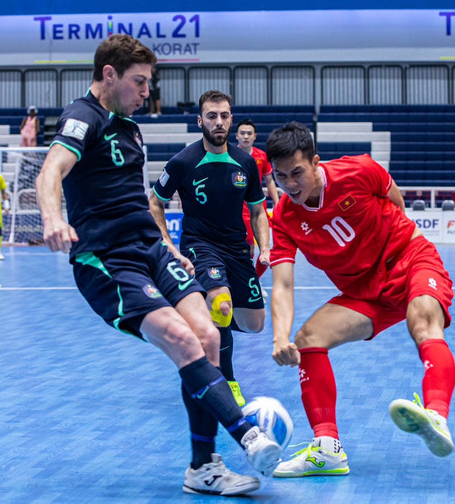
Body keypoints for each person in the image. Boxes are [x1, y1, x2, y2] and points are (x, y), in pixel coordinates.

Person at [34, 36, 280, 497]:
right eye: (139, 81)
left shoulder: (130, 128)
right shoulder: (82, 118)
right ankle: (246, 433)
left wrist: (167, 245)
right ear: (109, 74)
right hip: (108, 259)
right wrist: (52, 218)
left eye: (149, 82)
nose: (148, 91)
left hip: (152, 250)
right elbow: (50, 172)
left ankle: (202, 469)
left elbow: (141, 201)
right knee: (181, 337)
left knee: (209, 335)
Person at [265, 122, 455, 478]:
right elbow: (283, 285)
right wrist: (280, 337)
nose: (290, 185)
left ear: (315, 163)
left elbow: (395, 201)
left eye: (297, 173)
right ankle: (327, 449)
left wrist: (399, 240)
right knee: (309, 340)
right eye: (280, 176)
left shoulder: (358, 170)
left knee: (422, 320)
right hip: (363, 291)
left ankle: (436, 415)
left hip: (409, 258)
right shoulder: (285, 220)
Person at [149, 92, 270, 409]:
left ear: (231, 119)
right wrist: (168, 245)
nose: (219, 121)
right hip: (199, 246)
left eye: (225, 115)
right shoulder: (183, 162)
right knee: (222, 306)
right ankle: (227, 379)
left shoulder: (245, 162)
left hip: (236, 249)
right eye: (212, 115)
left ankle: (202, 322)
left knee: (254, 322)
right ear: (199, 120)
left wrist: (264, 249)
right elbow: (155, 202)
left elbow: (258, 211)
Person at [235, 118, 280, 261]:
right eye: (242, 133)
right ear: (237, 136)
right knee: (242, 245)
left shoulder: (262, 156)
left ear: (255, 136)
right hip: (236, 207)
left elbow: (270, 181)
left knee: (261, 245)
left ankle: (253, 277)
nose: (246, 136)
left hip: (257, 206)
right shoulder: (229, 155)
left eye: (249, 133)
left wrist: (277, 203)